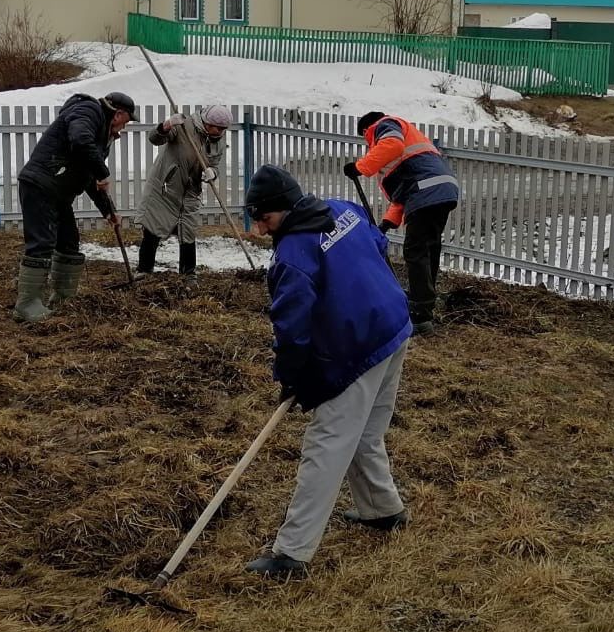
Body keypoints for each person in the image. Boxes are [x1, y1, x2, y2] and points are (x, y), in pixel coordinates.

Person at [241, 164, 412, 578]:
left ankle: (292, 553)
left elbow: (291, 324)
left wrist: (293, 374)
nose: (260, 231)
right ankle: (381, 509)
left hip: (358, 347)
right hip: (394, 325)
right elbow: (378, 246)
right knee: (366, 432)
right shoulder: (343, 209)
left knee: (327, 443)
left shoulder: (293, 254)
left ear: (281, 209)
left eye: (263, 219)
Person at [13, 91, 136, 322]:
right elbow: (79, 140)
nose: (124, 128)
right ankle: (27, 305)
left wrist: (108, 211)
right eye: (127, 121)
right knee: (42, 242)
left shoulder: (100, 135)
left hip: (58, 192)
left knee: (68, 242)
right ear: (118, 114)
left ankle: (62, 299)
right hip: (41, 184)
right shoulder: (88, 111)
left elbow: (90, 177)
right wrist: (102, 171)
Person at [344, 111, 458, 335]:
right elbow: (401, 196)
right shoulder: (406, 141)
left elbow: (392, 146)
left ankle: (420, 314)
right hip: (442, 189)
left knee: (416, 251)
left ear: (367, 130)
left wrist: (360, 167)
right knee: (428, 248)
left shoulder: (385, 125)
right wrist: (387, 223)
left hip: (426, 190)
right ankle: (424, 302)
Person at [137, 104, 232, 281]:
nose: (220, 132)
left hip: (190, 192)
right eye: (217, 128)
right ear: (207, 122)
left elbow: (215, 164)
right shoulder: (183, 126)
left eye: (223, 129)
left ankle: (188, 275)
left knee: (188, 231)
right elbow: (154, 139)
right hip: (165, 188)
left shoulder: (217, 140)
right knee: (153, 228)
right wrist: (166, 126)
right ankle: (144, 270)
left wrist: (212, 172)